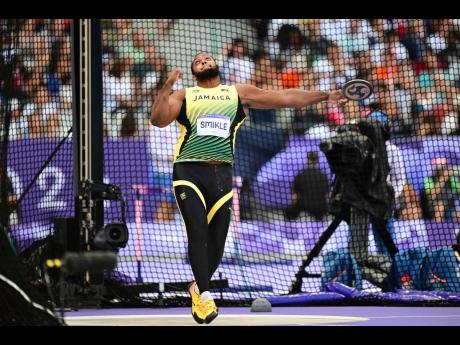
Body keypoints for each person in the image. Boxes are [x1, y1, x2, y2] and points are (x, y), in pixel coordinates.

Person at [150, 52, 347, 324]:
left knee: (218, 240)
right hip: (189, 169)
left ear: (216, 67)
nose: (204, 60)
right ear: (194, 72)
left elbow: (286, 98)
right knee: (198, 232)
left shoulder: (238, 93)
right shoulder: (184, 94)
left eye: (207, 58)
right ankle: (205, 296)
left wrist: (325, 96)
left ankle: (197, 286)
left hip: (222, 174)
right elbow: (158, 120)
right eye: (198, 61)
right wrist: (166, 86)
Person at [284, 151, 329, 221]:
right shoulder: (323, 175)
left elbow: (294, 196)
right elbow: (327, 195)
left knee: (288, 212)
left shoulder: (301, 175)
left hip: (303, 204)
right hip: (320, 207)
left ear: (307, 160)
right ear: (317, 161)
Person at [421, 157, 460, 222]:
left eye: (445, 166)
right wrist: (443, 178)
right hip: (433, 206)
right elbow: (431, 195)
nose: (444, 168)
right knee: (440, 207)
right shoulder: (428, 179)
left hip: (450, 207)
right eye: (442, 167)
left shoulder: (452, 179)